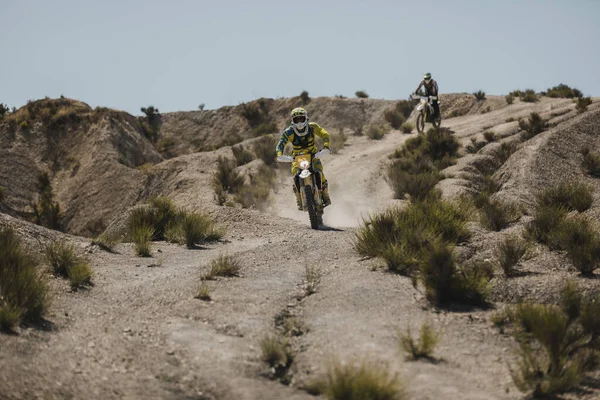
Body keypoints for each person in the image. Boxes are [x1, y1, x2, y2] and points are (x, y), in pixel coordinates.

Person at [276, 107, 331, 210]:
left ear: (306, 118)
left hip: (313, 156)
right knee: (295, 176)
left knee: (320, 172)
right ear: (293, 120)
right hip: (297, 158)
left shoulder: (313, 127)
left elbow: (324, 134)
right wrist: (280, 155)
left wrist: (326, 147)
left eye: (301, 118)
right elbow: (280, 144)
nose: (300, 122)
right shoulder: (288, 132)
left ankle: (325, 195)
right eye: (297, 119)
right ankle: (299, 198)